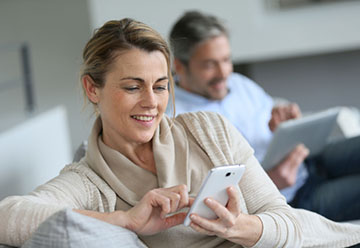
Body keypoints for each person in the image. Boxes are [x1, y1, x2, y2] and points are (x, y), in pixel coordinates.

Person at [0, 18, 359, 248]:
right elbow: (9, 215)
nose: (151, 102)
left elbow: (281, 216)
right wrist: (124, 220)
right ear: (93, 89)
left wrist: (242, 227)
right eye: (132, 87)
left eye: (159, 86)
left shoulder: (209, 130)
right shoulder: (90, 182)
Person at [167, 10, 360, 222]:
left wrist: (284, 119)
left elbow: (271, 113)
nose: (223, 73)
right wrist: (266, 184)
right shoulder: (176, 122)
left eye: (226, 59)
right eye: (209, 64)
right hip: (292, 198)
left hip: (310, 158)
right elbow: (207, 202)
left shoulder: (239, 84)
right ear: (179, 66)